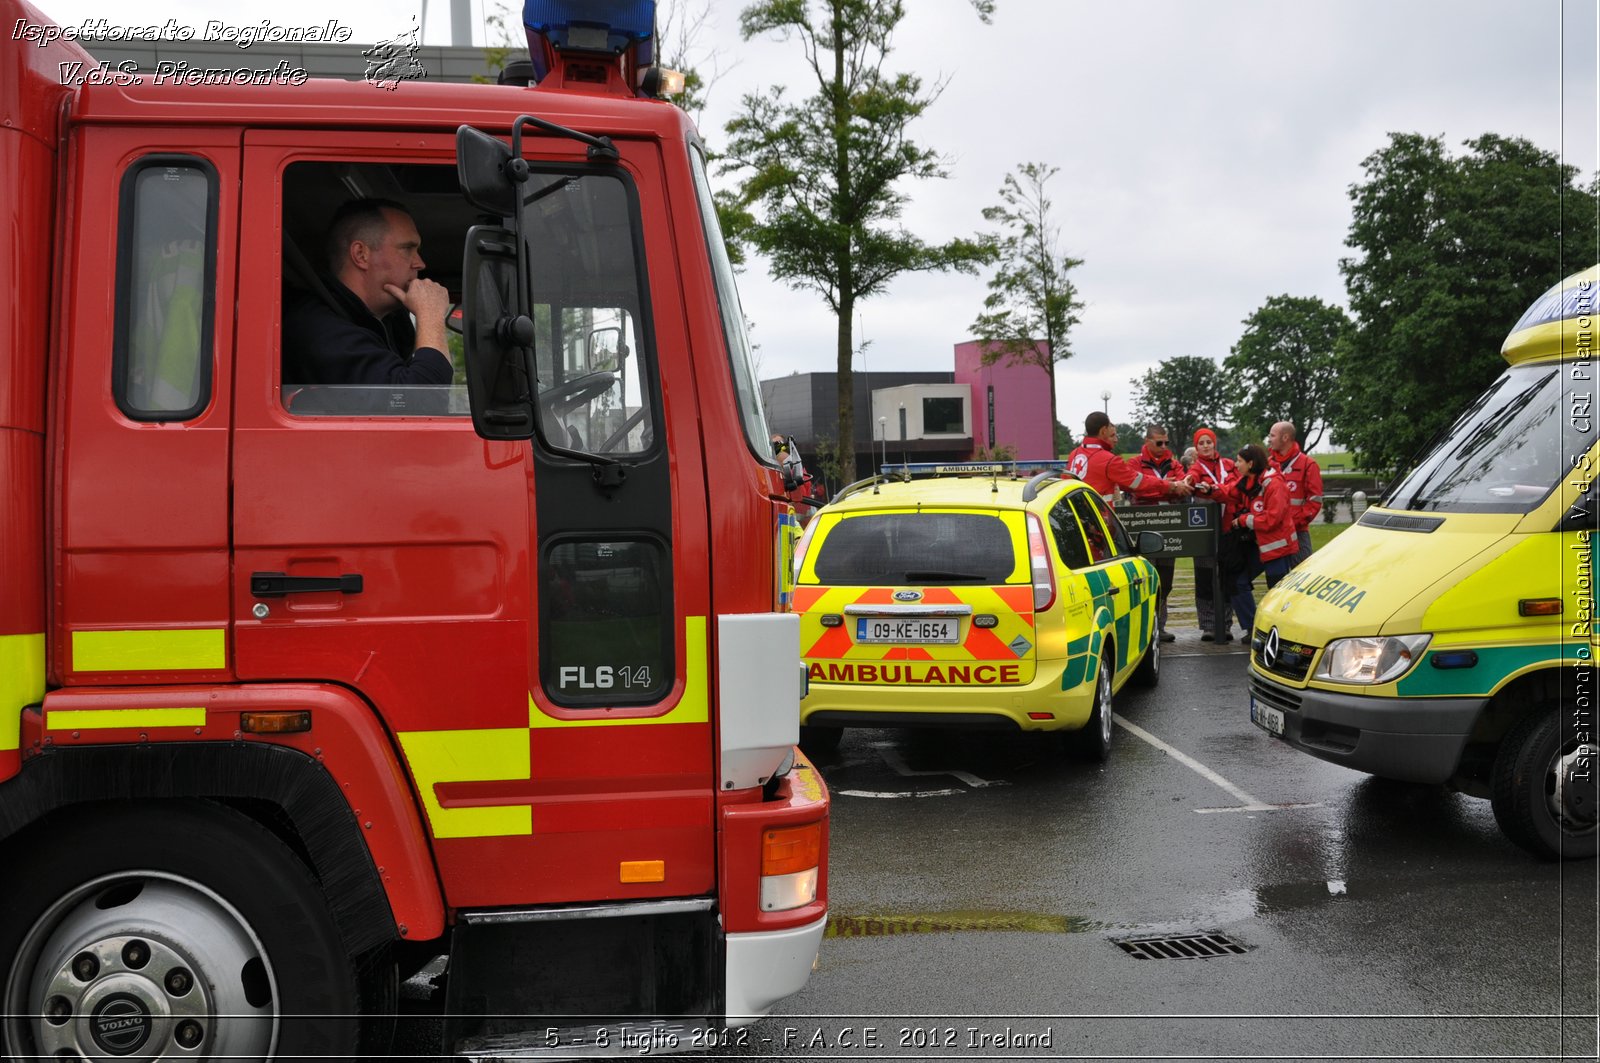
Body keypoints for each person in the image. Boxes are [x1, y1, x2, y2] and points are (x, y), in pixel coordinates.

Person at [283, 198, 454, 387]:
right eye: (407, 249)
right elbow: (421, 404)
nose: (420, 263)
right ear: (361, 255)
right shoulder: (322, 329)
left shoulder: (386, 324)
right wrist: (430, 315)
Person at [1210, 443, 1296, 637]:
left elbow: (1272, 519)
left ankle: (1283, 633)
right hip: (1259, 546)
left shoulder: (1274, 484)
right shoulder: (1249, 481)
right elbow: (1228, 492)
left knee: (1277, 594)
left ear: (1250, 463)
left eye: (1239, 461)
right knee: (1237, 581)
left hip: (1277, 549)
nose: (1236, 464)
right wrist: (1207, 489)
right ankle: (1253, 628)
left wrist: (1243, 520)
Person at [1130, 424, 1187, 641]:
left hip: (1169, 525)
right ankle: (1145, 628)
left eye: (1166, 443)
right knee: (1145, 578)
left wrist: (1166, 488)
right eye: (1159, 443)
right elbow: (1136, 488)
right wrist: (1166, 486)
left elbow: (1182, 486)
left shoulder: (1174, 463)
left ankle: (1160, 626)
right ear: (1147, 442)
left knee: (1166, 580)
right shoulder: (1135, 463)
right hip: (1143, 525)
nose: (1164, 447)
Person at [1066, 412, 1191, 504]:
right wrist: (1170, 485)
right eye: (1112, 432)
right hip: (1098, 518)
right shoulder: (1109, 459)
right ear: (1104, 430)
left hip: (1078, 515)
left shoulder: (1074, 454)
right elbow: (1138, 481)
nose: (1116, 439)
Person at [1185, 427, 1237, 642]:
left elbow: (1237, 484)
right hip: (1205, 530)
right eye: (1201, 443)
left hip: (1228, 527)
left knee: (1227, 576)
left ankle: (1225, 624)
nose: (1206, 446)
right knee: (1205, 577)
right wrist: (1190, 481)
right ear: (1196, 447)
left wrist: (1217, 489)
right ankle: (1207, 625)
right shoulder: (1197, 467)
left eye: (1209, 442)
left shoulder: (1229, 465)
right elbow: (1191, 478)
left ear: (1215, 443)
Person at [1268, 420, 1323, 564]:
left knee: (1302, 578)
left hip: (1298, 533)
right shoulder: (1267, 465)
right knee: (1276, 579)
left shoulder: (1308, 464)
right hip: (1271, 534)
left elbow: (1315, 502)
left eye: (1272, 436)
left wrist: (1292, 522)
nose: (1269, 439)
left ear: (1285, 438)